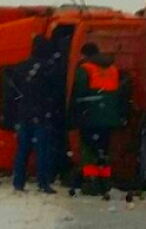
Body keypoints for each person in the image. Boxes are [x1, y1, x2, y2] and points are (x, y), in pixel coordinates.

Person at [70, 43, 131, 196]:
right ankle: (105, 182)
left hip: (90, 117)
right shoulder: (113, 69)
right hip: (110, 118)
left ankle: (92, 182)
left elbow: (78, 93)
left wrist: (74, 115)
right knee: (103, 149)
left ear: (85, 55)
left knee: (88, 150)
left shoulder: (85, 69)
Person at [12, 36, 59, 194]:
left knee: (23, 150)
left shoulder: (21, 67)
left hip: (24, 114)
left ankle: (18, 182)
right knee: (42, 150)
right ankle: (43, 182)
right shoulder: (49, 67)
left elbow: (14, 89)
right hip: (42, 113)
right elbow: (55, 90)